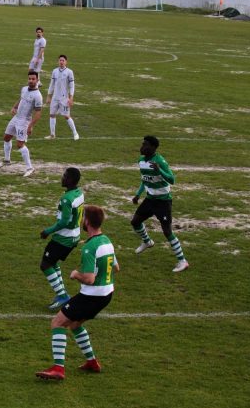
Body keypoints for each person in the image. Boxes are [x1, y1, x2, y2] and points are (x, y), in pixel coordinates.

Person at [36, 205, 117, 381]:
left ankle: (58, 368)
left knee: (58, 322)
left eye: (83, 218)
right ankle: (92, 362)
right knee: (74, 324)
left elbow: (89, 279)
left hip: (91, 296)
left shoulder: (90, 247)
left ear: (87, 221)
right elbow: (116, 267)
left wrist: (75, 275)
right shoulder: (107, 241)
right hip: (106, 295)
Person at [131, 136, 189, 273]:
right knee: (135, 222)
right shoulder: (141, 161)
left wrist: (159, 171)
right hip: (150, 199)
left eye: (145, 145)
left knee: (167, 231)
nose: (141, 147)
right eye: (142, 144)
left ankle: (182, 261)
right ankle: (147, 241)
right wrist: (138, 194)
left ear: (152, 147)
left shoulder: (160, 161)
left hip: (163, 201)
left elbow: (172, 180)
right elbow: (145, 179)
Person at [39, 167, 84, 310]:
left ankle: (62, 296)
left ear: (70, 180)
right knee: (53, 262)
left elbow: (64, 222)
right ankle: (62, 294)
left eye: (64, 176)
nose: (62, 178)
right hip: (74, 236)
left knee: (45, 265)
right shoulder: (79, 193)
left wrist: (48, 231)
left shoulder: (66, 199)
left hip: (63, 238)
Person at [2, 70, 42, 177]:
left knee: (20, 145)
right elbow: (21, 98)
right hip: (16, 117)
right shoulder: (24, 89)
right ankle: (7, 160)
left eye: (33, 79)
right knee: (6, 137)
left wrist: (31, 126)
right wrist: (14, 107)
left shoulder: (38, 96)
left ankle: (30, 168)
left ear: (37, 80)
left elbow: (38, 113)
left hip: (24, 121)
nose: (31, 81)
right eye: (29, 79)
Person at [45, 55, 80, 140]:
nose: (61, 62)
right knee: (52, 115)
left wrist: (71, 98)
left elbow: (72, 86)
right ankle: (52, 135)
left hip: (64, 98)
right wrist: (49, 96)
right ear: (58, 61)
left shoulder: (69, 72)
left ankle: (75, 133)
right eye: (60, 60)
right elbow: (51, 84)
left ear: (66, 62)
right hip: (55, 97)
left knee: (67, 116)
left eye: (63, 60)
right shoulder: (54, 71)